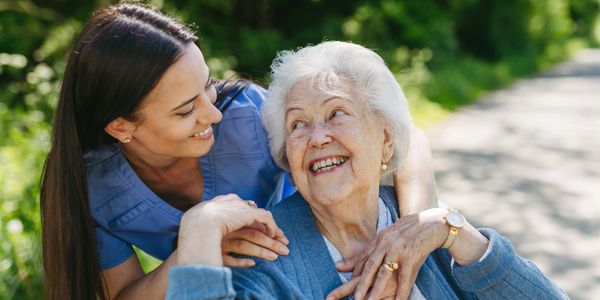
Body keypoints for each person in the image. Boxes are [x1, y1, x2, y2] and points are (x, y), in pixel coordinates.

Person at [39, 4, 434, 300]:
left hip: (312, 265)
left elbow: (402, 135)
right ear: (121, 127)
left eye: (207, 86)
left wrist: (414, 227)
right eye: (184, 110)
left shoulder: (244, 115)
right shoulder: (92, 187)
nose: (212, 114)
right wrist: (198, 242)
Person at [165, 41, 569, 299]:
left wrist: (455, 230)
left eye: (336, 113)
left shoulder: (426, 229)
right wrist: (198, 228)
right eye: (297, 124)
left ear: (386, 140)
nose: (316, 137)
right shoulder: (271, 258)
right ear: (287, 155)